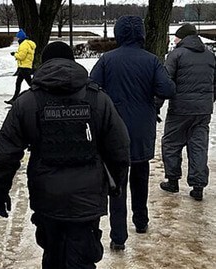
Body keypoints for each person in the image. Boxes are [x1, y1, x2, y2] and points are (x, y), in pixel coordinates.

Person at [0, 41, 130, 268]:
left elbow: (6, 153)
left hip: (48, 197)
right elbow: (120, 147)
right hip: (87, 198)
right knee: (83, 257)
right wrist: (115, 183)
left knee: (53, 255)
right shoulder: (98, 99)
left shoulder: (27, 102)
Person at [90, 15, 176, 250]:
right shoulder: (152, 60)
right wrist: (152, 100)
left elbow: (91, 87)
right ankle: (141, 220)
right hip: (142, 130)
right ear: (141, 34)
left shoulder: (107, 60)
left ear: (118, 34)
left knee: (117, 184)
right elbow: (168, 88)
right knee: (140, 178)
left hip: (114, 130)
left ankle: (118, 237)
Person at [158, 23, 216, 201]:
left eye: (176, 36)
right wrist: (209, 100)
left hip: (180, 109)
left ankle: (173, 181)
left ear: (183, 37)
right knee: (198, 145)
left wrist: (156, 105)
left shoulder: (176, 55)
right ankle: (198, 186)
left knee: (171, 143)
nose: (174, 40)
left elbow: (165, 82)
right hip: (203, 110)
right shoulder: (210, 55)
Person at [5, 29, 36, 105]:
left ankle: (38, 95)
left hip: (24, 67)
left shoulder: (24, 45)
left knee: (30, 83)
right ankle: (14, 99)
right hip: (25, 66)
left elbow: (21, 56)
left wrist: (14, 54)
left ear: (21, 38)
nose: (17, 39)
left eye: (18, 38)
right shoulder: (27, 44)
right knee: (18, 83)